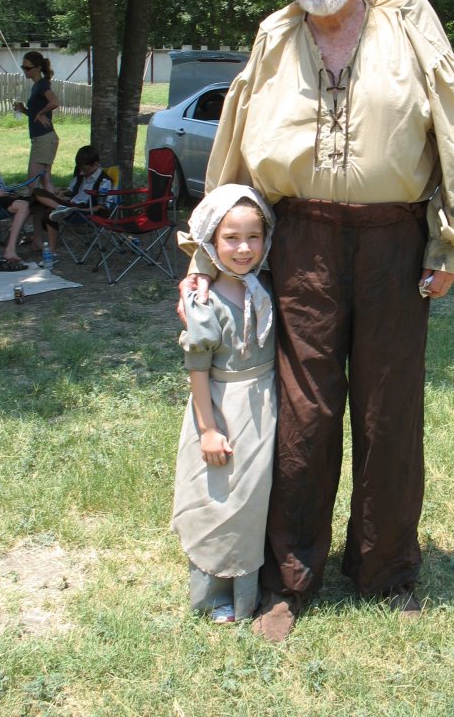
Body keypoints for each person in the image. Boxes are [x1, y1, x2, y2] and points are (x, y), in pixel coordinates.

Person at [180, 0, 454, 642]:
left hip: (394, 242)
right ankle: (288, 580)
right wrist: (208, 253)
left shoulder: (407, 16)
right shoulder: (275, 34)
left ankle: (386, 568)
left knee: (390, 413)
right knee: (303, 411)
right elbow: (235, 137)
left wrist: (453, 240)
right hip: (302, 240)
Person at [172, 184, 277, 624]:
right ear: (212, 241)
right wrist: (209, 428)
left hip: (266, 401)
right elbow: (198, 369)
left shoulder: (266, 283)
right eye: (231, 238)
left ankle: (251, 590)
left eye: (254, 238)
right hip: (223, 404)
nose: (243, 248)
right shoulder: (204, 300)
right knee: (220, 496)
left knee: (253, 499)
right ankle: (216, 593)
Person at [31, 144, 111, 259]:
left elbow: (101, 208)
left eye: (85, 169)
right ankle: (60, 207)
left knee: (50, 213)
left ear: (96, 164)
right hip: (70, 205)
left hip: (84, 211)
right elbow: (72, 191)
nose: (82, 172)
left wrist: (81, 209)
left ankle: (51, 251)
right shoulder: (81, 174)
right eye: (81, 168)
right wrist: (62, 192)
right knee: (37, 191)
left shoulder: (104, 181)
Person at [13, 51, 59, 193]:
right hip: (43, 139)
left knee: (32, 184)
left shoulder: (42, 85)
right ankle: (56, 212)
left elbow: (55, 102)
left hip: (44, 139)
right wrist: (24, 110)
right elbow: (35, 115)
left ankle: (51, 210)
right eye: (23, 67)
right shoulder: (36, 86)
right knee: (45, 182)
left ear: (38, 68)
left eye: (28, 68)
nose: (24, 70)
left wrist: (41, 112)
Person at [0, 137, 32, 268]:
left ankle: (31, 239)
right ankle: (10, 250)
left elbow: (1, 187)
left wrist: (8, 192)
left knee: (34, 202)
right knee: (24, 205)